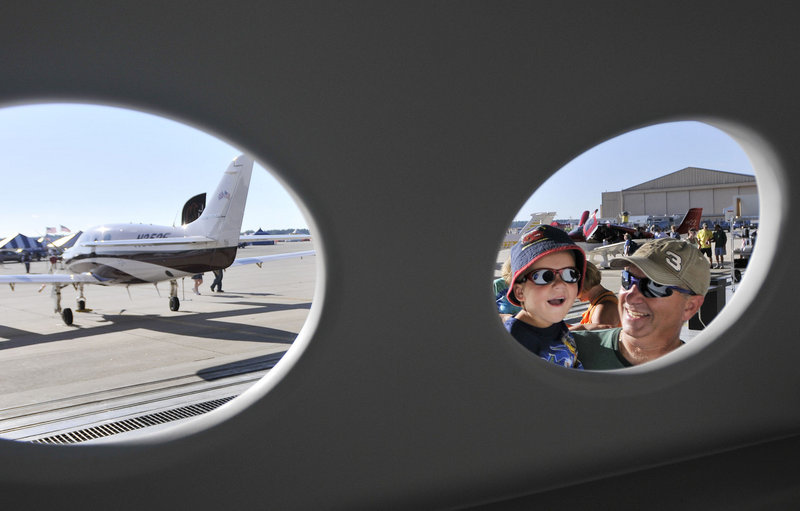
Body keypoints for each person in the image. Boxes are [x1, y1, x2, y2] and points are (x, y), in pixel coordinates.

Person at [572, 238, 708, 369]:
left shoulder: (701, 380)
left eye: (654, 286)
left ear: (690, 306)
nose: (630, 296)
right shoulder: (569, 352)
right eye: (627, 279)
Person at [503, 225, 586, 368]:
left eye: (570, 274)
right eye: (543, 276)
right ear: (520, 292)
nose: (560, 284)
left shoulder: (555, 323)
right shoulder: (513, 342)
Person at [572, 261, 621, 328]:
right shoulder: (599, 302)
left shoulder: (603, 309)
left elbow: (597, 336)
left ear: (582, 283)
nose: (572, 295)